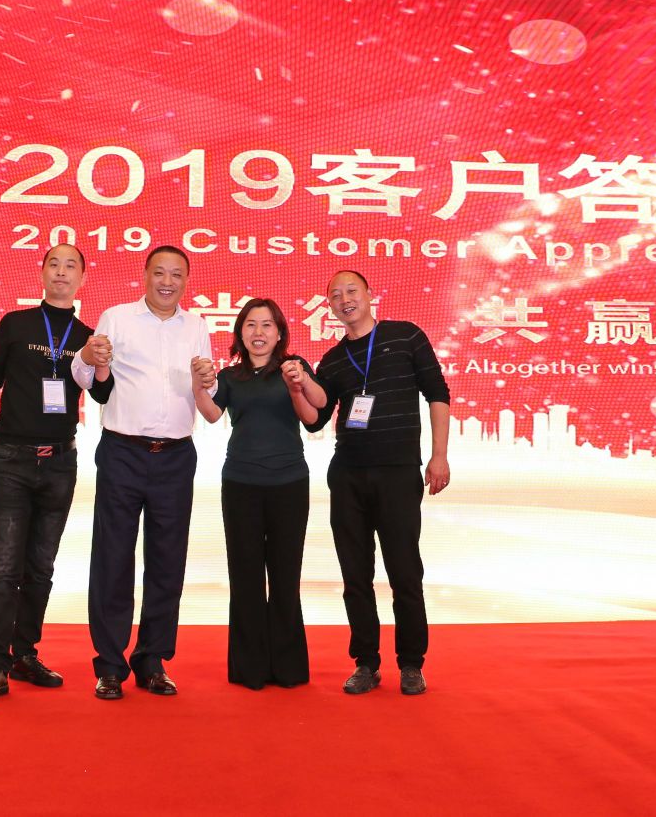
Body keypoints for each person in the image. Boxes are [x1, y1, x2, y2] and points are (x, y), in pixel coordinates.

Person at [0, 243, 112, 706]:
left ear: (82, 277)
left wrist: (100, 361)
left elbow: (102, 394)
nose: (62, 272)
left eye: (71, 266)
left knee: (41, 567)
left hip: (60, 462)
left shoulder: (87, 336)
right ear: (42, 272)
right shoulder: (16, 323)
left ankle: (25, 653)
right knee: (5, 567)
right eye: (54, 264)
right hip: (12, 458)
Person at [71, 245, 215, 700]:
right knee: (112, 557)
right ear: (145, 275)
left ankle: (152, 659)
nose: (167, 282)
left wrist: (209, 379)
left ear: (186, 280)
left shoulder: (197, 326)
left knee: (168, 560)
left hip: (176, 455)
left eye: (176, 275)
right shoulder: (116, 318)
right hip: (123, 452)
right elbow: (86, 377)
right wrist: (88, 356)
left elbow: (206, 389)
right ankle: (110, 664)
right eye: (159, 273)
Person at [308, 269, 451, 696]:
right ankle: (366, 663)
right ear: (330, 306)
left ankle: (411, 663)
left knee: (405, 572)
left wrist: (439, 455)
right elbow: (315, 420)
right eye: (335, 295)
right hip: (348, 475)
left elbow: (437, 392)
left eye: (351, 291)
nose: (344, 300)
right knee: (356, 575)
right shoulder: (332, 360)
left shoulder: (405, 336)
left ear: (370, 294)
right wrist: (298, 387)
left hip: (398, 472)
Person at [193, 299, 327, 689]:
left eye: (267, 325)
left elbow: (315, 413)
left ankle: (288, 668)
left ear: (280, 332)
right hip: (241, 484)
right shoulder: (230, 376)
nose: (258, 332)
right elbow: (211, 414)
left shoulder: (294, 366)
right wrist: (198, 385)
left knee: (285, 576)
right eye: (250, 324)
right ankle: (249, 668)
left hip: (289, 484)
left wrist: (298, 384)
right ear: (240, 333)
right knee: (246, 577)